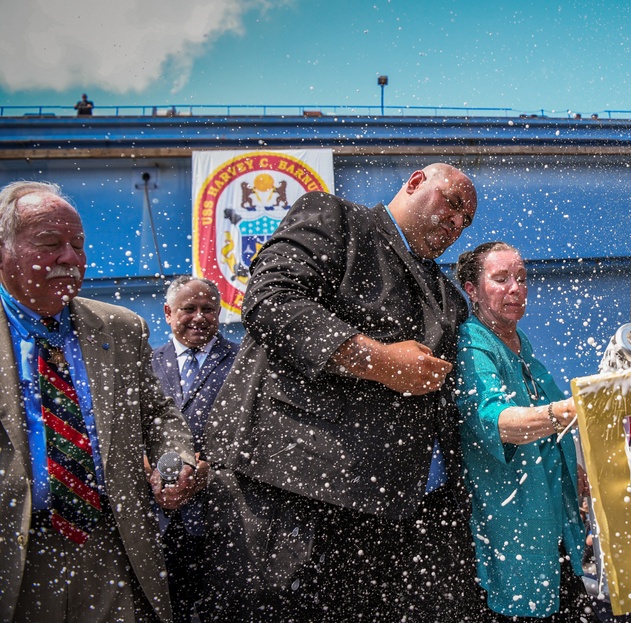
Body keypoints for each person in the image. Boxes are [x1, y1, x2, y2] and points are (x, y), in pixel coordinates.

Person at [202, 163, 485, 622]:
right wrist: (379, 361)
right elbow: (272, 300)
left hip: (387, 519)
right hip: (290, 494)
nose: (456, 222)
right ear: (415, 183)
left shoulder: (448, 297)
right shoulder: (337, 219)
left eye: (466, 221)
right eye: (451, 203)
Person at [0, 180, 208, 622]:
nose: (71, 259)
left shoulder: (120, 328)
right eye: (50, 244)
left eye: (78, 245)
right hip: (14, 555)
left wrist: (177, 457)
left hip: (111, 549)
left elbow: (156, 415)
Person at [454, 241, 592, 621]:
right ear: (472, 290)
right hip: (513, 525)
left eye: (522, 278)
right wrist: (566, 411)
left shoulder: (520, 342)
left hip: (551, 520)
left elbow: (540, 417)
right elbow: (496, 421)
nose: (516, 288)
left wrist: (570, 466)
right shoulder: (471, 344)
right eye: (501, 279)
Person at [151, 276, 237, 622]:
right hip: (160, 520)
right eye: (189, 309)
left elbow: (255, 439)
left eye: (209, 310)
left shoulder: (242, 363)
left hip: (223, 521)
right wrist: (150, 470)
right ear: (169, 313)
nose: (200, 317)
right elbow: (130, 431)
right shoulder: (145, 364)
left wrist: (208, 474)